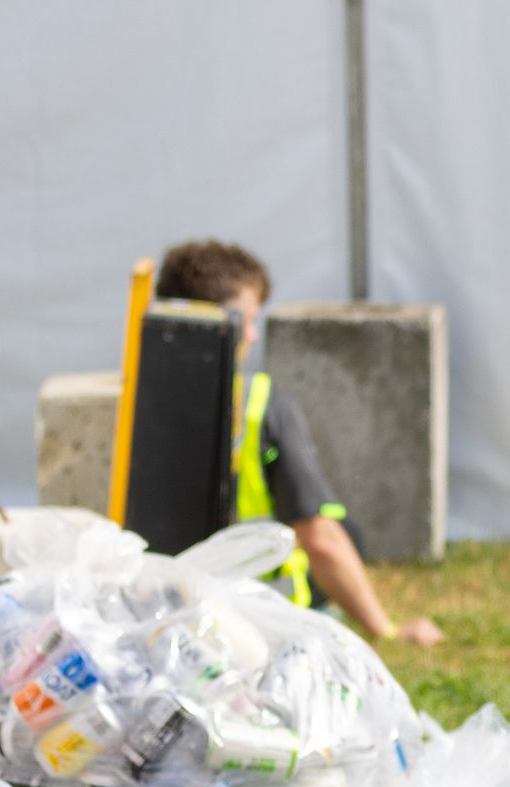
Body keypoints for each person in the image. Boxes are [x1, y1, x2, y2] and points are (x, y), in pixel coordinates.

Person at [150, 240, 445, 648]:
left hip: (164, 608)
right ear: (223, 324)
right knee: (342, 530)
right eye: (248, 321)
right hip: (261, 616)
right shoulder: (258, 404)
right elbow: (320, 539)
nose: (253, 335)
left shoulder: (136, 401)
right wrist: (387, 631)